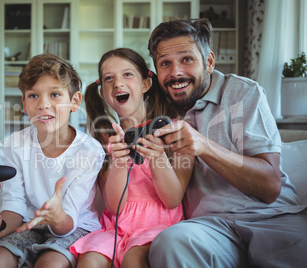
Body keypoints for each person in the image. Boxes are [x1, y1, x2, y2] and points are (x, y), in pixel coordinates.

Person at [147, 18, 307, 267]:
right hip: (207, 228)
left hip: (273, 218)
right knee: (170, 243)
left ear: (209, 62)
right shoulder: (157, 109)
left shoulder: (245, 93)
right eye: (165, 63)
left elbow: (270, 185)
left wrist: (204, 145)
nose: (175, 72)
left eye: (186, 59)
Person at [0, 54, 105, 268]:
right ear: (24, 103)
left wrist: (57, 217)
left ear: (74, 102)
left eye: (55, 94)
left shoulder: (89, 151)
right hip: (29, 225)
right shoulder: (15, 143)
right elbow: (14, 205)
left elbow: (66, 224)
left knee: (50, 264)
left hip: (73, 226)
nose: (43, 104)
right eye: (33, 96)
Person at [69, 48, 194, 268]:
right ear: (103, 92)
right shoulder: (103, 141)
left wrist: (157, 158)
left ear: (145, 84)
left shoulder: (173, 132)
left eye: (127, 74)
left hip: (159, 227)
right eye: (109, 78)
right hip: (115, 229)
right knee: (89, 261)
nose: (117, 83)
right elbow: (113, 205)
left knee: (134, 259)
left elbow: (173, 199)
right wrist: (119, 162)